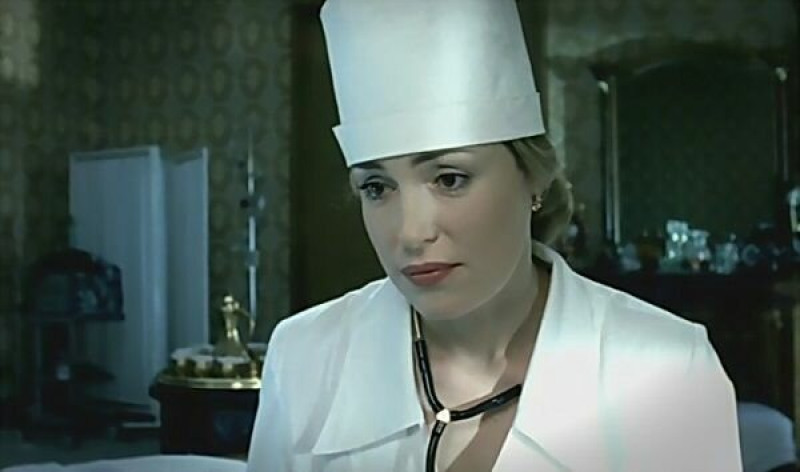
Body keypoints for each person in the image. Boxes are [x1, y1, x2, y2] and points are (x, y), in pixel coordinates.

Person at [246, 0, 742, 470]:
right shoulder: (305, 357)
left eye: (450, 179)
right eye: (377, 188)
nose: (411, 233)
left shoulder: (666, 372)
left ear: (533, 179)